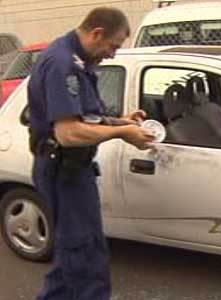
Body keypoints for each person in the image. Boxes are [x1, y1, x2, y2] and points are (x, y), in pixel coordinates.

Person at [28, 7, 155, 300]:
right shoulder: (62, 64)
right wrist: (124, 134)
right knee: (84, 259)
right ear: (97, 33)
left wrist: (121, 121)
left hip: (75, 171)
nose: (112, 54)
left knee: (76, 256)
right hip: (64, 172)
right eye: (113, 46)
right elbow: (68, 132)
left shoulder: (77, 60)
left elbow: (87, 117)